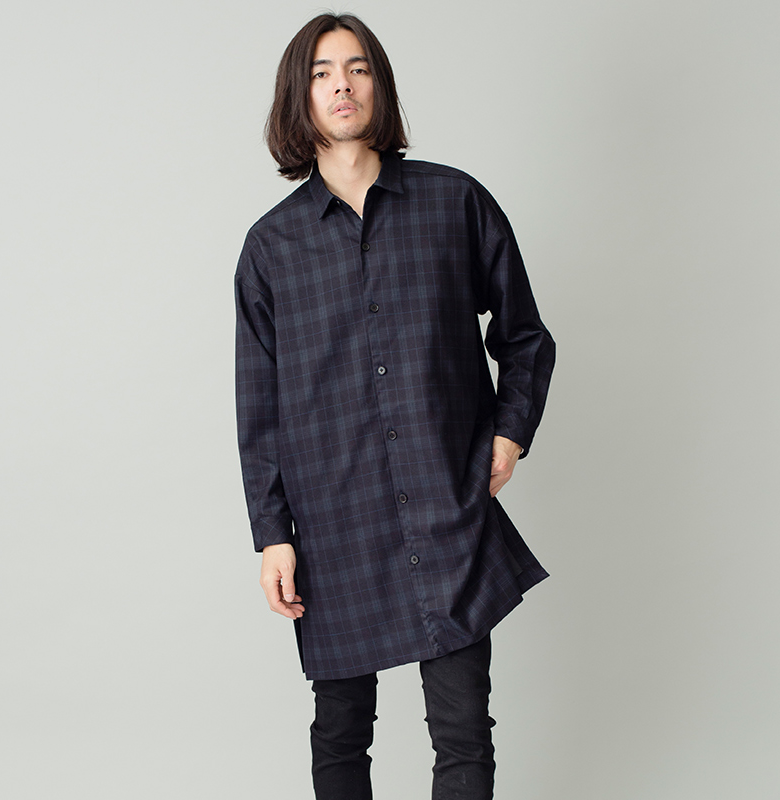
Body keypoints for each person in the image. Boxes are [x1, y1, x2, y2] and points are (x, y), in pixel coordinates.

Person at [234, 12, 555, 800]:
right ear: (299, 96)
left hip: (448, 510)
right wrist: (273, 535)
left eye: (357, 68)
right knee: (341, 733)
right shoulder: (270, 249)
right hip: (333, 523)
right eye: (321, 73)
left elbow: (525, 336)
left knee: (464, 732)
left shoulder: (455, 203)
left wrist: (510, 434)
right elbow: (259, 410)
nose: (341, 85)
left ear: (379, 85)